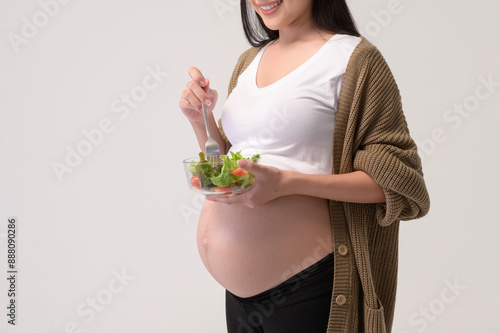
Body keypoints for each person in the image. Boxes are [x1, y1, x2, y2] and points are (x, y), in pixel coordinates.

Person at [179, 0, 430, 332]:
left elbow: (398, 179)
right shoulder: (249, 61)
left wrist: (287, 183)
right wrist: (202, 120)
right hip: (239, 299)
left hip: (307, 288)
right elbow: (229, 168)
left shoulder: (355, 59)